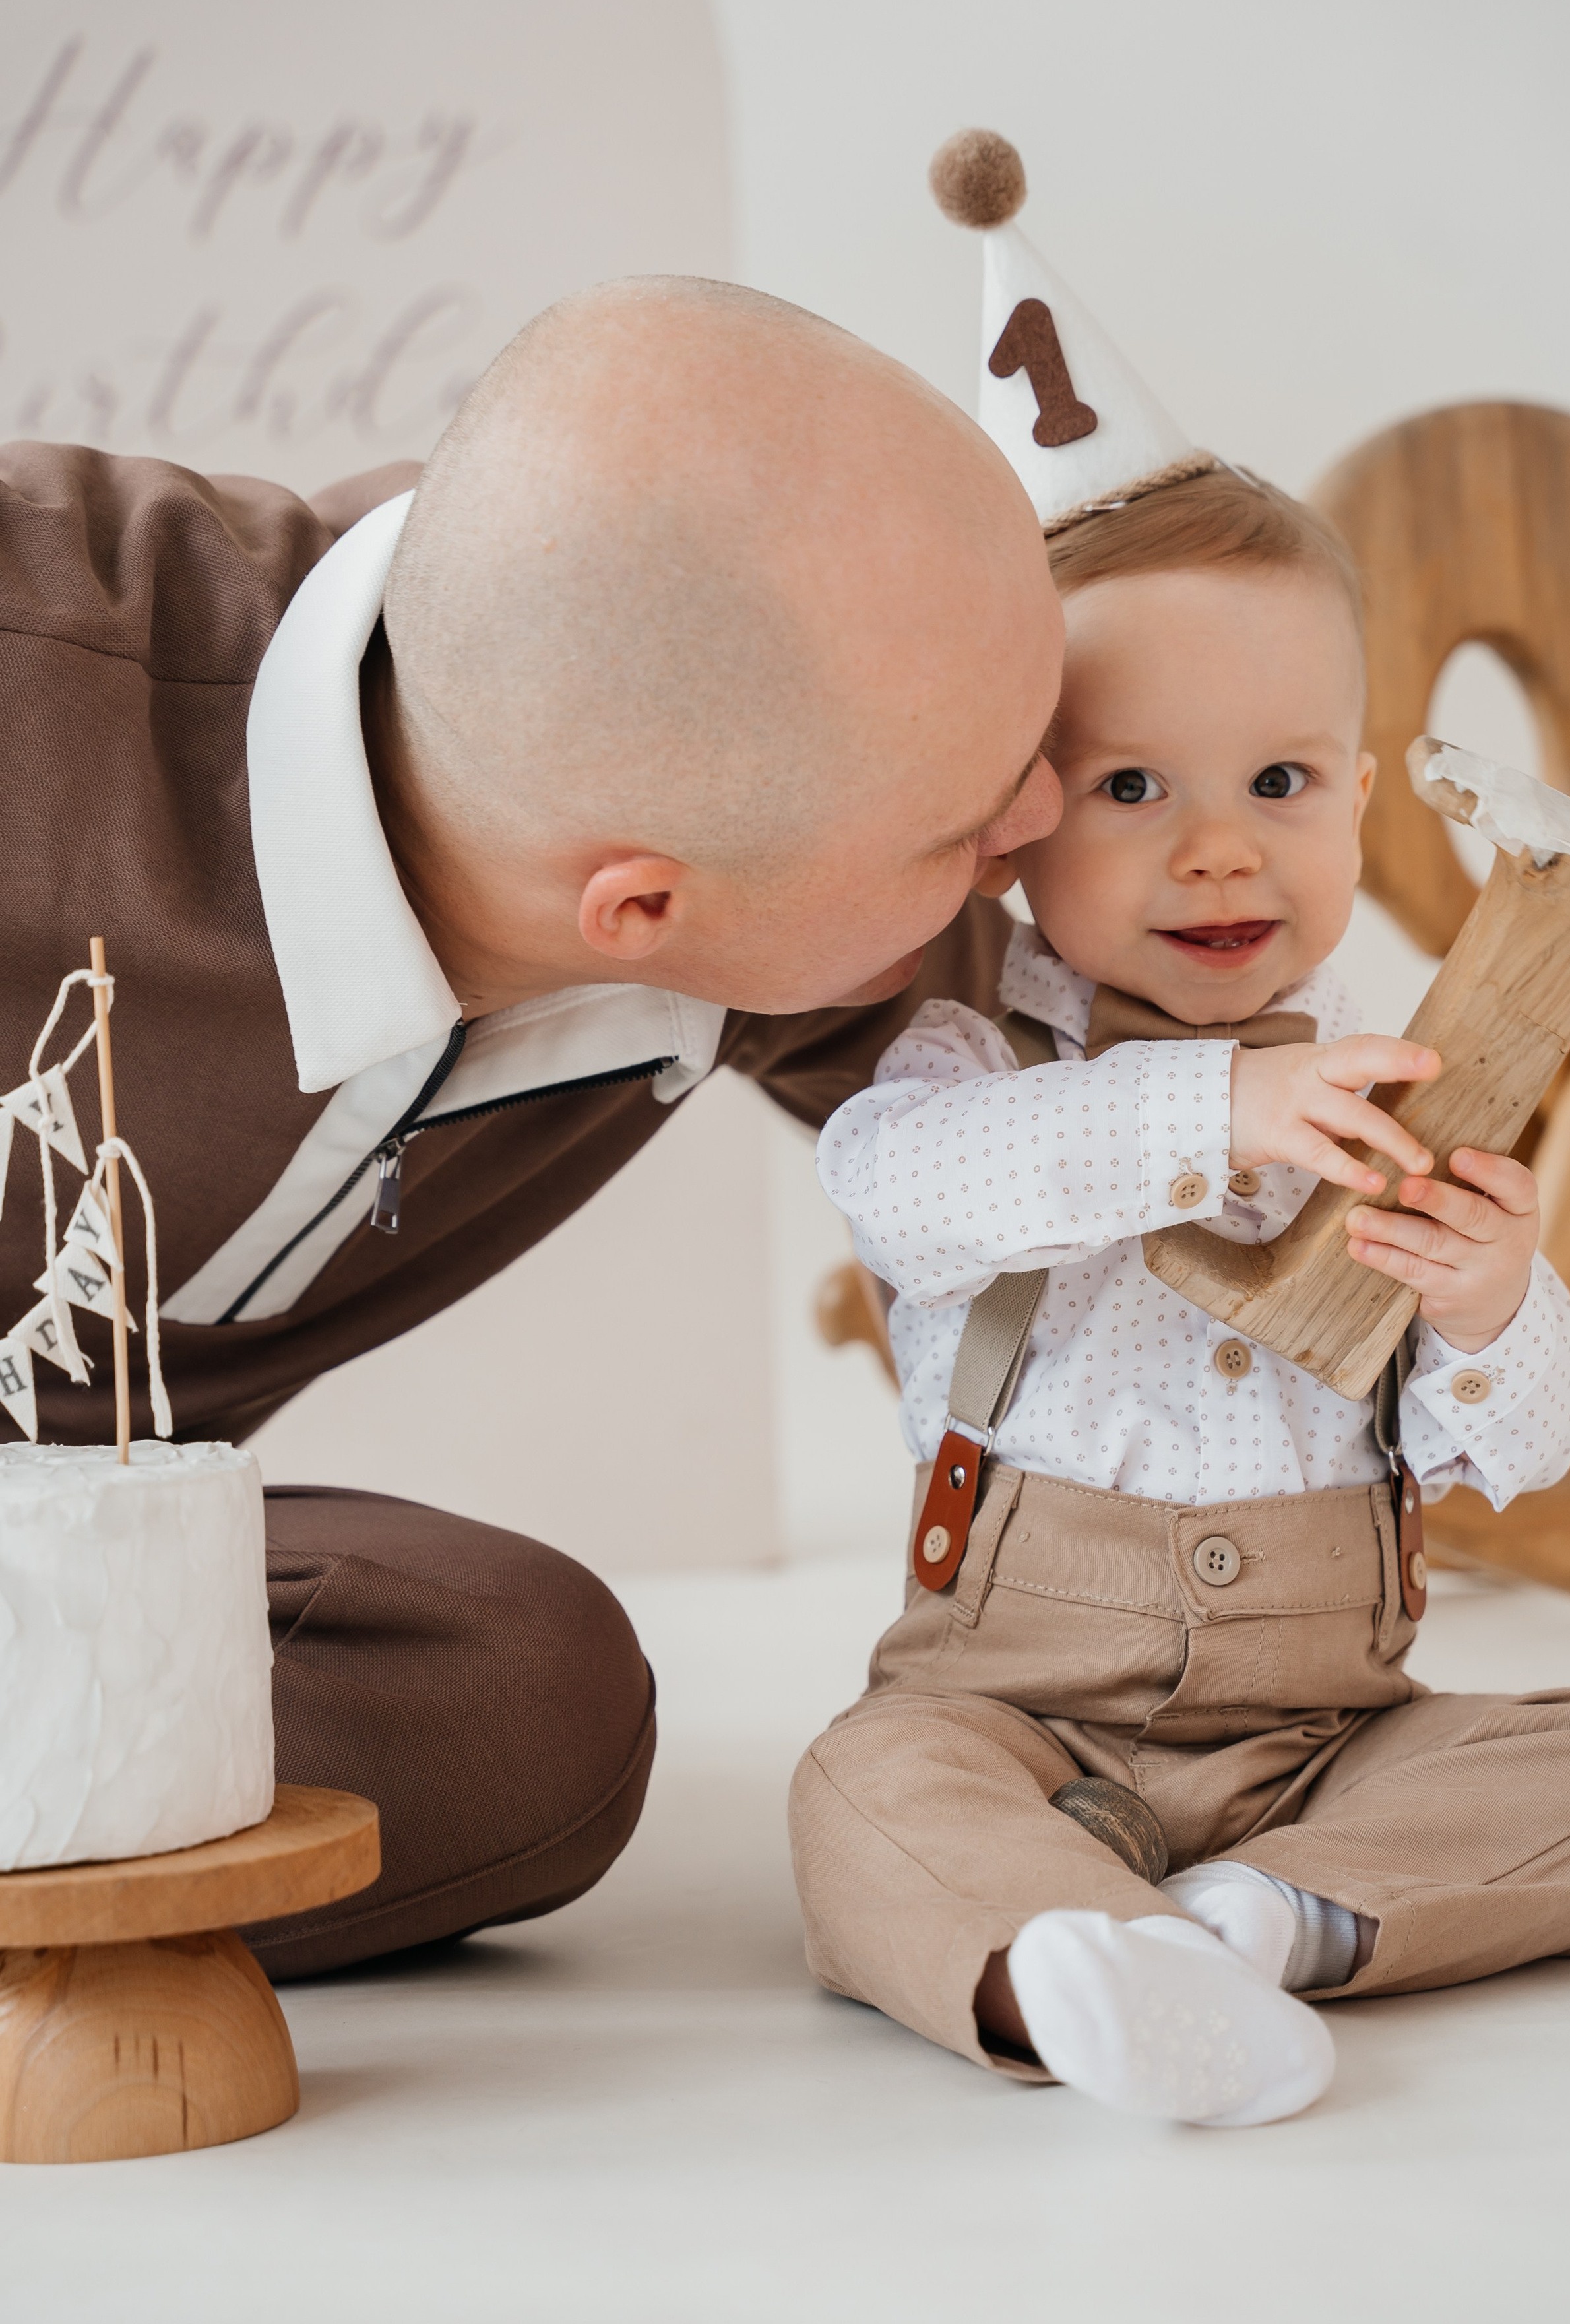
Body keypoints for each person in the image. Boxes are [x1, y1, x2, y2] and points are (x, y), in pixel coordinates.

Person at [0, 276, 1065, 1975]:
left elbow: (1114, 1134)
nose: (1046, 821)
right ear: (633, 907)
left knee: (524, 1700)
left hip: (74, 1543)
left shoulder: (763, 848)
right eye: (969, 827)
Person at [791, 134, 1570, 2126]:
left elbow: (1518, 1464)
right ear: (1015, 818)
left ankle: (1256, 1928)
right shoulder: (977, 1076)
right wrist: (1217, 1104)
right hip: (1014, 1713)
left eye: (1281, 779)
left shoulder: (1391, 1076)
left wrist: (1493, 1302)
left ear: (1360, 798)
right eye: (1131, 789)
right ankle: (1055, 1956)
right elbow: (902, 1196)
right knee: (864, 1793)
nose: (1218, 846)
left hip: (1330, 1736)